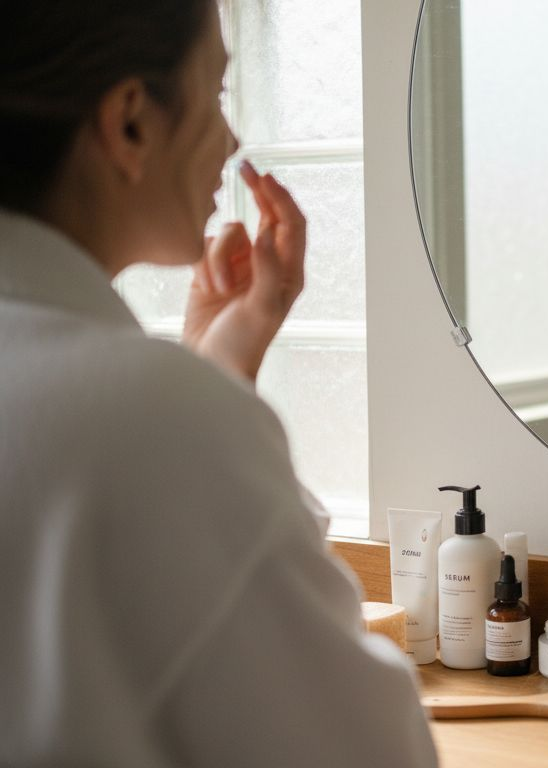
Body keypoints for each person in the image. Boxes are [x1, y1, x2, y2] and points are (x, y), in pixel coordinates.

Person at [0, 2, 437, 765]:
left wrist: (220, 372)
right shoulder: (154, 420)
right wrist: (207, 404)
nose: (232, 141)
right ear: (131, 122)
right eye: (219, 93)